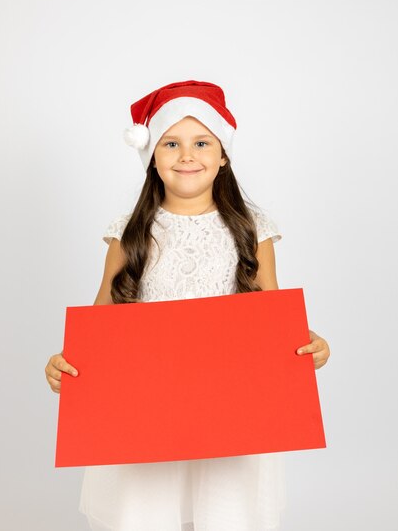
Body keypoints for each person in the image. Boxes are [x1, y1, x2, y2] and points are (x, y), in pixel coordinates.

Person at [45, 79, 330, 531]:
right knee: (145, 514)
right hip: (145, 410)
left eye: (201, 142)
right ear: (152, 156)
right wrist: (70, 366)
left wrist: (307, 346)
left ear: (223, 155)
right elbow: (101, 316)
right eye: (171, 143)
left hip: (233, 408)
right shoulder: (129, 233)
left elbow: (274, 315)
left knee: (228, 514)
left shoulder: (252, 230)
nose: (187, 155)